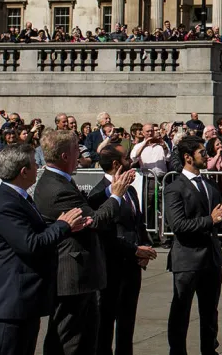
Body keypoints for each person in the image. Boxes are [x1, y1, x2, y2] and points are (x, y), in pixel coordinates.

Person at [0, 145, 87, 355]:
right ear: (23, 171)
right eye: (35, 164)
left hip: (24, 302)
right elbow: (31, 244)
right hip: (8, 303)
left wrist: (66, 227)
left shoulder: (20, 198)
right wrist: (62, 225)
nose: (38, 167)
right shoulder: (6, 204)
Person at [33, 130, 135, 355]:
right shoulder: (57, 187)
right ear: (64, 156)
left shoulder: (59, 181)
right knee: (70, 340)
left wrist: (110, 190)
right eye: (75, 150)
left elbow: (85, 206)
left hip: (81, 275)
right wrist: (116, 196)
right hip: (72, 275)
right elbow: (94, 219)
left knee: (86, 337)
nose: (80, 154)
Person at [164, 136, 222, 355]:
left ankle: (209, 349)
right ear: (188, 157)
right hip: (187, 259)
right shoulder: (174, 188)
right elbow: (178, 225)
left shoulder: (210, 184)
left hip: (211, 258)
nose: (207, 156)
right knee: (181, 311)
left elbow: (215, 217)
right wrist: (211, 219)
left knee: (210, 312)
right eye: (202, 153)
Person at [88, 147, 156, 355]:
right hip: (112, 267)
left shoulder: (131, 190)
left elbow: (138, 223)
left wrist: (144, 248)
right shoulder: (99, 194)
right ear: (117, 164)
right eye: (126, 159)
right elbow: (106, 235)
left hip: (132, 267)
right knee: (106, 322)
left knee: (127, 322)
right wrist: (135, 250)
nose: (130, 161)